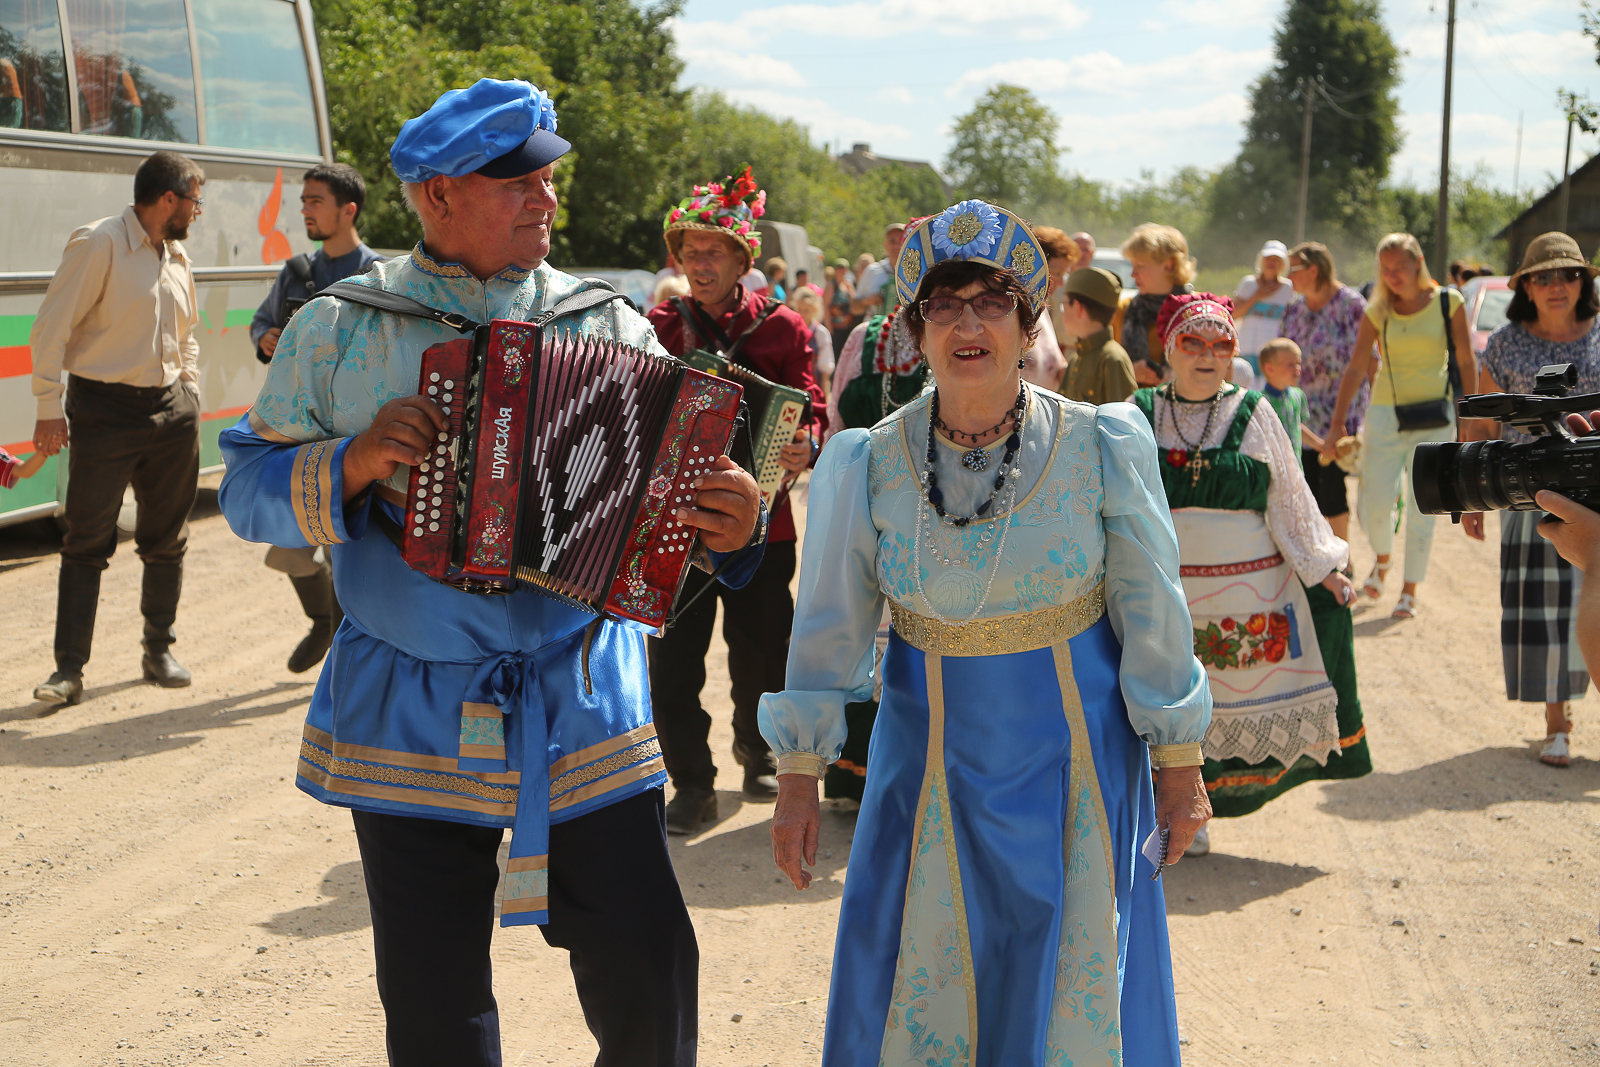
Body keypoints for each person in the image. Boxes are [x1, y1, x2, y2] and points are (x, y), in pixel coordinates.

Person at [216, 80, 765, 1067]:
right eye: (518, 182)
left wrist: (728, 524)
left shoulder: (607, 322)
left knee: (649, 966)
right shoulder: (338, 328)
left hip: (581, 697)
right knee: (437, 1007)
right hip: (410, 706)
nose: (546, 199)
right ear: (437, 195)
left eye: (548, 179)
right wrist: (352, 461)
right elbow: (246, 487)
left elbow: (669, 513)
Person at [761, 199, 1211, 1064]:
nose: (968, 324)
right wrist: (797, 777)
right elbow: (826, 628)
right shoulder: (870, 460)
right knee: (928, 983)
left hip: (1074, 777)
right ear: (916, 328)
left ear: (1028, 322)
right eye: (944, 304)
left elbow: (1153, 607)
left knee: (1063, 987)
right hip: (925, 774)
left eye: (992, 302)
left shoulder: (1100, 443)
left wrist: (1180, 763)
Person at [1130, 293, 1364, 855]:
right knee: (1170, 700)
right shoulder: (1137, 411)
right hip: (1165, 593)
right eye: (1193, 342)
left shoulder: (1255, 411)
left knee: (1226, 699)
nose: (1207, 354)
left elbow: (1289, 497)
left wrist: (1324, 568)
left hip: (1246, 599)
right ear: (1170, 348)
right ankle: (1163, 813)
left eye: (1221, 344)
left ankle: (1204, 813)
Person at [648, 168, 824, 834]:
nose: (699, 262)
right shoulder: (658, 326)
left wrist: (805, 442)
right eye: (689, 251)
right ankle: (692, 782)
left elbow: (810, 404)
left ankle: (758, 753)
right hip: (675, 523)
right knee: (672, 666)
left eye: (713, 251)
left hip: (765, 524)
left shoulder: (782, 328)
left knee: (762, 655)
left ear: (742, 260)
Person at [28, 150, 206, 706]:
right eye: (194, 201)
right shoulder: (99, 243)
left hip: (171, 411)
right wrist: (48, 405)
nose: (197, 212)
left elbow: (188, 332)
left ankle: (159, 651)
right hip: (104, 410)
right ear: (169, 199)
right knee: (86, 540)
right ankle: (68, 671)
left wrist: (190, 391)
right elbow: (51, 327)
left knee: (167, 538)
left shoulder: (177, 254)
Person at [1461, 232, 1600, 768]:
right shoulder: (1503, 344)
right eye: (1543, 276)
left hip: (1599, 490)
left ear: (1583, 281)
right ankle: (1556, 723)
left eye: (1568, 274)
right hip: (1531, 495)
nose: (1557, 285)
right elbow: (1480, 424)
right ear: (1526, 287)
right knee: (1546, 614)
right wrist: (1472, 495)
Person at [247, 163, 384, 674]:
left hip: (358, 437)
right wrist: (265, 338)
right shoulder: (297, 271)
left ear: (348, 210)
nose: (304, 209)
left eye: (315, 201)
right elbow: (263, 321)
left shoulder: (380, 275)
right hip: (300, 434)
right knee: (290, 545)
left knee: (349, 552)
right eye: (303, 200)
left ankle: (343, 653)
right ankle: (323, 623)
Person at [1322, 233, 1474, 620]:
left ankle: (1409, 589)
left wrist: (1470, 418)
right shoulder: (1378, 309)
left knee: (1425, 505)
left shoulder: (1448, 302)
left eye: (1400, 267)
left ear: (1418, 262)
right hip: (1385, 413)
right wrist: (1337, 423)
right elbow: (1356, 367)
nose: (1392, 275)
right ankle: (1384, 559)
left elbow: (1465, 360)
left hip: (1435, 415)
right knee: (1373, 502)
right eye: (1385, 269)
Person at [1282, 241, 1368, 542]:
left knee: (1331, 488)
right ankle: (1317, 555)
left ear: (1313, 269)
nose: (1288, 277)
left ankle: (1341, 557)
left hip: (1341, 413)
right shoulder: (1294, 309)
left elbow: (1369, 361)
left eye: (1293, 269)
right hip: (1304, 415)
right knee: (1305, 489)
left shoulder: (1351, 306)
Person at [1114, 223, 1195, 387]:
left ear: (1169, 265)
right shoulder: (1122, 309)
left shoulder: (1201, 310)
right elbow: (1104, 366)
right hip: (1132, 402)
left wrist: (1177, 375)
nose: (1133, 274)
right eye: (1132, 265)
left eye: (1140, 265)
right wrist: (1128, 371)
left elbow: (1224, 367)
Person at [1055, 265, 1137, 405]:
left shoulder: (1113, 359)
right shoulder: (1076, 358)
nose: (1063, 311)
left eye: (1065, 304)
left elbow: (1122, 416)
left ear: (1078, 308)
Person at [1232, 239, 1294, 385]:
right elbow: (1233, 314)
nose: (1272, 263)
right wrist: (1256, 297)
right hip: (1248, 347)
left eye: (1276, 259)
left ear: (1283, 264)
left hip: (1274, 352)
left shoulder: (1288, 288)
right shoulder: (1248, 284)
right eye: (1268, 258)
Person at [1257, 337, 1324, 468]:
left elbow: (1296, 426)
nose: (1297, 368)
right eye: (1290, 365)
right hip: (1272, 470)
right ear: (1270, 369)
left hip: (1295, 469)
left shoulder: (1298, 396)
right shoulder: (1260, 401)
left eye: (1298, 363)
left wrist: (1320, 445)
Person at [1019, 226, 1073, 388]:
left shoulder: (1040, 310)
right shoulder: (1014, 310)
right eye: (1058, 273)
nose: (1061, 282)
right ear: (1036, 267)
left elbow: (1057, 364)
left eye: (1064, 275)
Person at [849, 222, 907, 318]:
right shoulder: (873, 270)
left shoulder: (916, 271)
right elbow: (854, 308)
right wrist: (867, 300)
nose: (897, 246)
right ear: (885, 245)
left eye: (901, 241)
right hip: (875, 325)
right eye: (892, 241)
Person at [792, 285, 835, 397]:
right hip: (792, 385)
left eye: (806, 311)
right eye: (799, 310)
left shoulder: (820, 333)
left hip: (813, 386)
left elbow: (825, 369)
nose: (802, 314)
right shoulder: (792, 330)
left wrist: (824, 394)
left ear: (815, 309)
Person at [824, 256, 856, 352]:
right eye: (839, 268)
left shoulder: (848, 284)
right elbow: (826, 306)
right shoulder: (831, 285)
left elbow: (853, 301)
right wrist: (829, 327)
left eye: (844, 269)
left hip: (847, 325)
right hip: (835, 326)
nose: (842, 271)